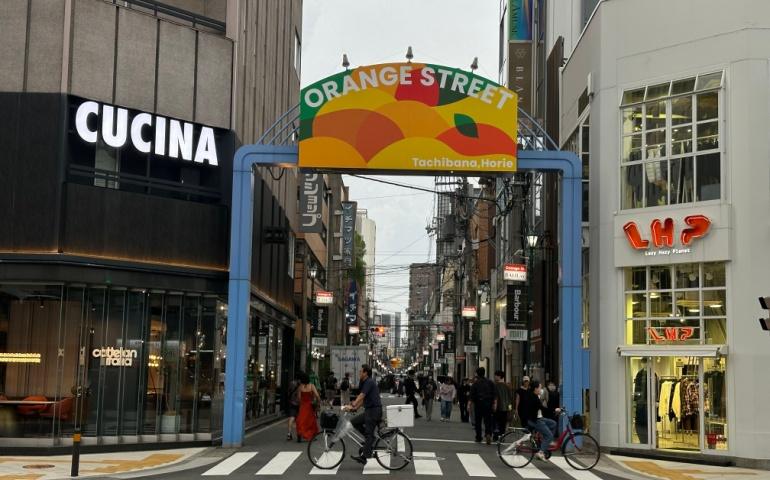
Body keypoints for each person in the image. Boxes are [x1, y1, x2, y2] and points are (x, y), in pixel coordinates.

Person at [345, 364, 383, 465]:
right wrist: (355, 408)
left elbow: (362, 396)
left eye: (361, 372)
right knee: (354, 422)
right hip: (370, 411)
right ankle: (369, 441)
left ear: (365, 373)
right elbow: (364, 399)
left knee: (369, 433)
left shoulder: (369, 382)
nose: (359, 373)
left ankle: (365, 456)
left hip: (374, 411)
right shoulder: (365, 382)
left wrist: (353, 403)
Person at [519, 380, 560, 461]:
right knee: (549, 435)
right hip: (535, 420)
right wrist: (555, 409)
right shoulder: (533, 398)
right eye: (540, 388)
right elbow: (543, 409)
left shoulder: (534, 396)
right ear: (535, 389)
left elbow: (542, 409)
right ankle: (540, 452)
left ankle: (547, 441)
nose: (541, 390)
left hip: (539, 418)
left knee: (553, 424)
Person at [468, 367, 497, 444]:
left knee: (478, 421)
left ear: (477, 374)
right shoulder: (490, 382)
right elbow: (494, 394)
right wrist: (494, 404)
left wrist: (469, 405)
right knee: (488, 420)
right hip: (488, 403)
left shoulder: (475, 383)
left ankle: (478, 437)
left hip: (478, 404)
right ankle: (488, 434)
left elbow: (471, 395)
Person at [295, 371, 321, 443]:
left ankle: (300, 434)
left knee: (300, 420)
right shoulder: (311, 386)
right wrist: (318, 402)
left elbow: (299, 398)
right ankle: (311, 435)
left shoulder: (300, 387)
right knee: (310, 421)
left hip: (303, 406)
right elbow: (317, 395)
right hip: (309, 405)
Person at [493, 371, 513, 440]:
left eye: (495, 375)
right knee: (503, 423)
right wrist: (510, 409)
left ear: (499, 376)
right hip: (506, 408)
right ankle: (502, 436)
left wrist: (494, 406)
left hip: (498, 407)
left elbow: (495, 397)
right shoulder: (507, 386)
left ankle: (496, 435)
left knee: (496, 422)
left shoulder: (495, 386)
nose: (495, 377)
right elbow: (510, 398)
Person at [286, 373, 301, 441]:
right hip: (299, 403)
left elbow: (288, 392)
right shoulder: (301, 385)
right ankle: (299, 433)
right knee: (299, 419)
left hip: (292, 402)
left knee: (291, 418)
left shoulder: (291, 383)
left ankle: (289, 434)